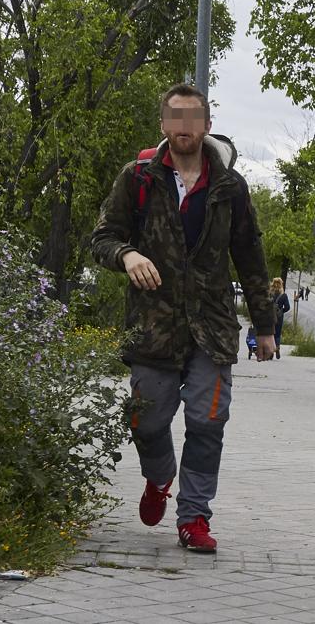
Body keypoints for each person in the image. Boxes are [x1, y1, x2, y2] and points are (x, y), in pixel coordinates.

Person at [91, 83, 277, 554]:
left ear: (206, 125)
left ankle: (193, 517)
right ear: (163, 125)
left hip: (211, 328)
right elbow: (103, 238)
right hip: (153, 327)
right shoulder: (137, 179)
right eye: (175, 117)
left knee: (208, 420)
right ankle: (159, 478)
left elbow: (250, 258)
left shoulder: (229, 187)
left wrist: (266, 327)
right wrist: (127, 255)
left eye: (192, 118)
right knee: (146, 423)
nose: (184, 127)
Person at [270, 276, 290, 357]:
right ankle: (277, 348)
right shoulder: (283, 295)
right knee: (277, 334)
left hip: (270, 316)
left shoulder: (270, 294)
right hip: (279, 317)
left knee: (270, 333)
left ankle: (270, 352)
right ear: (281, 284)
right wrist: (281, 311)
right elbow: (288, 307)